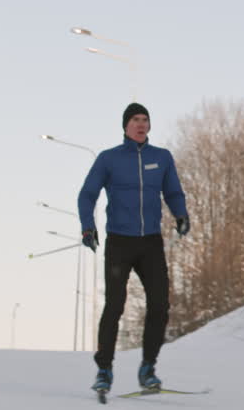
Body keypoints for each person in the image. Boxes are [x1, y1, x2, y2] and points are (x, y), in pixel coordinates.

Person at [78, 102, 190, 393]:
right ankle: (104, 370)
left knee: (160, 305)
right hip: (119, 241)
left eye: (145, 119)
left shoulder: (162, 158)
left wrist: (181, 215)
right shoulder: (109, 159)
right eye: (136, 120)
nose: (141, 124)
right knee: (115, 305)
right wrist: (87, 226)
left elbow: (173, 192)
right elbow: (87, 194)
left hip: (150, 242)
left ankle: (148, 367)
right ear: (126, 126)